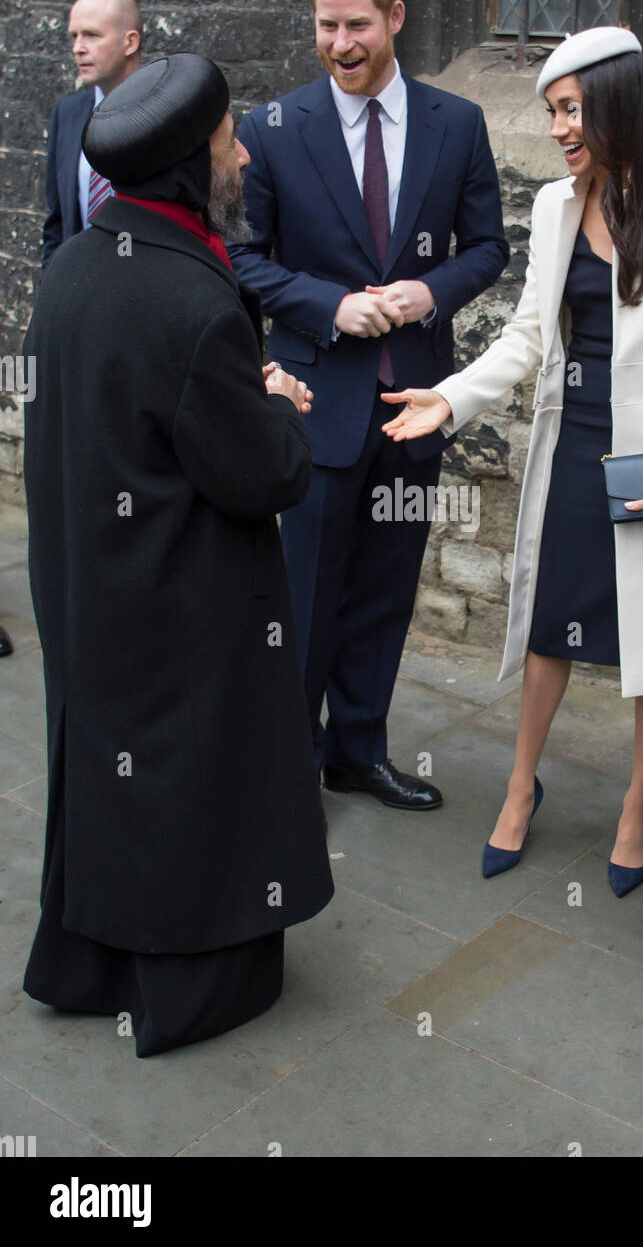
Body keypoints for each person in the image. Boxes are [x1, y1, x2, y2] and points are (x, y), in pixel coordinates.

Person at [382, 27, 643, 888]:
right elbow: (525, 338)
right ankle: (520, 788)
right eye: (550, 112)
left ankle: (636, 803)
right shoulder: (556, 204)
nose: (557, 128)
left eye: (570, 109)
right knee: (552, 623)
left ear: (619, 102)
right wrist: (451, 396)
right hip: (573, 441)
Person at [22, 53, 334, 1057]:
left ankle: (91, 961)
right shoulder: (192, 300)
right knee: (185, 776)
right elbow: (260, 475)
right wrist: (275, 405)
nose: (240, 153)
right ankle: (183, 982)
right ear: (187, 167)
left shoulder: (74, 265)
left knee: (114, 770)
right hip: (182, 595)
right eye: (227, 142)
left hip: (89, 582)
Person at [229, 0, 507, 812]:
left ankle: (358, 752)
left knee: (387, 594)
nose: (340, 43)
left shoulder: (456, 123)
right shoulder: (272, 130)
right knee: (304, 599)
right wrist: (328, 304)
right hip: (314, 405)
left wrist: (431, 290)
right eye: (325, 26)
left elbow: (491, 248)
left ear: (395, 15)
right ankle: (284, 764)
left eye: (356, 24)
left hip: (414, 406)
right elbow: (241, 258)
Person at [42, 0, 143, 266]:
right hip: (79, 289)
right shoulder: (67, 113)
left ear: (130, 42)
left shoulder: (166, 113)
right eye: (74, 36)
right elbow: (58, 221)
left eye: (92, 35)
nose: (78, 47)